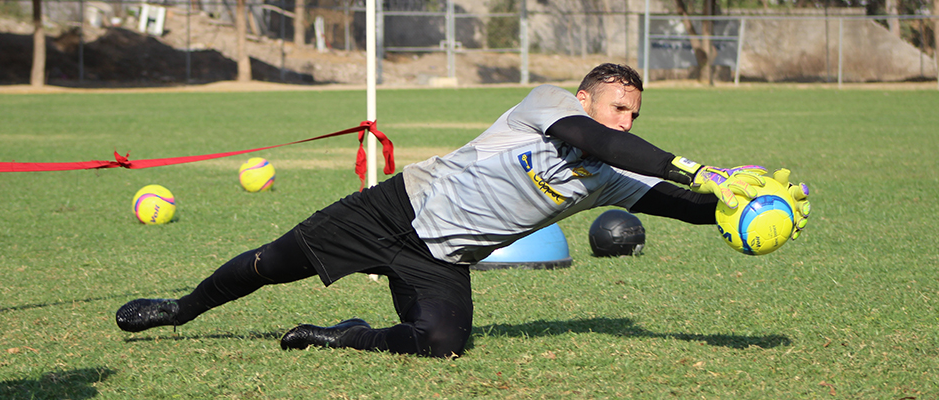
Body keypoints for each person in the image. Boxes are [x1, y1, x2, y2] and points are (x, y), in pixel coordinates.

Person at [116, 63, 809, 358]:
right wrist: (697, 166)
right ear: (587, 96)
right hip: (395, 211)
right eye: (618, 107)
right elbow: (584, 137)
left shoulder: (610, 177)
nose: (624, 122)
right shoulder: (550, 107)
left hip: (440, 257)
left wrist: (738, 208)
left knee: (443, 346)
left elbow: (676, 205)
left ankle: (347, 334)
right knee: (271, 263)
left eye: (635, 113)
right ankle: (181, 308)